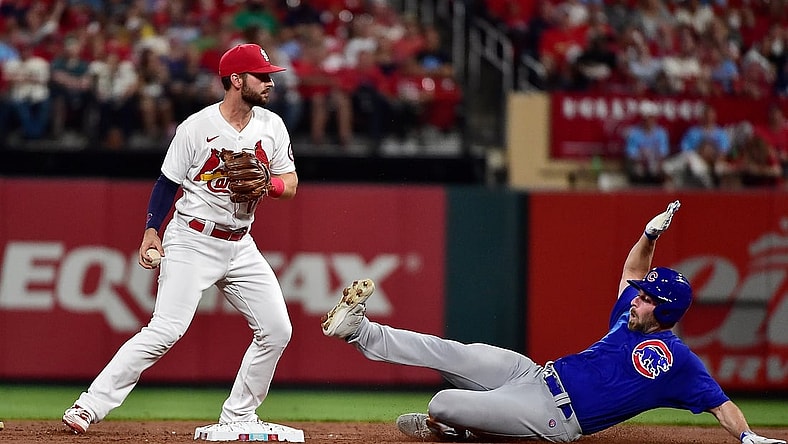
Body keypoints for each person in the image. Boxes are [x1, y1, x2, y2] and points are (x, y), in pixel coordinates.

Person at [321, 201, 786, 444]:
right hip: (534, 374)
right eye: (643, 293)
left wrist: (746, 435)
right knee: (454, 352)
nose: (638, 297)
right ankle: (359, 330)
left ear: (664, 312)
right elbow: (631, 271)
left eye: (648, 297)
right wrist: (649, 234)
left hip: (554, 417)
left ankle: (456, 429)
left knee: (442, 402)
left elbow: (718, 402)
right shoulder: (628, 320)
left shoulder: (676, 360)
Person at [62, 43, 299, 436]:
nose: (270, 81)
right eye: (262, 75)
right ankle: (88, 405)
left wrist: (270, 184)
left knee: (277, 330)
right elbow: (166, 184)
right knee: (166, 330)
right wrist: (151, 231)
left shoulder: (272, 126)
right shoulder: (197, 127)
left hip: (241, 243)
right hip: (193, 239)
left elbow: (290, 183)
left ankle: (239, 415)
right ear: (236, 81)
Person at [623, 101, 670, 186]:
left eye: (651, 117)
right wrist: (643, 160)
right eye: (647, 117)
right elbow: (631, 153)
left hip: (656, 162)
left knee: (664, 169)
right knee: (637, 170)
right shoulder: (634, 133)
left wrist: (657, 164)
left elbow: (663, 152)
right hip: (639, 163)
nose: (649, 120)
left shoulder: (661, 133)